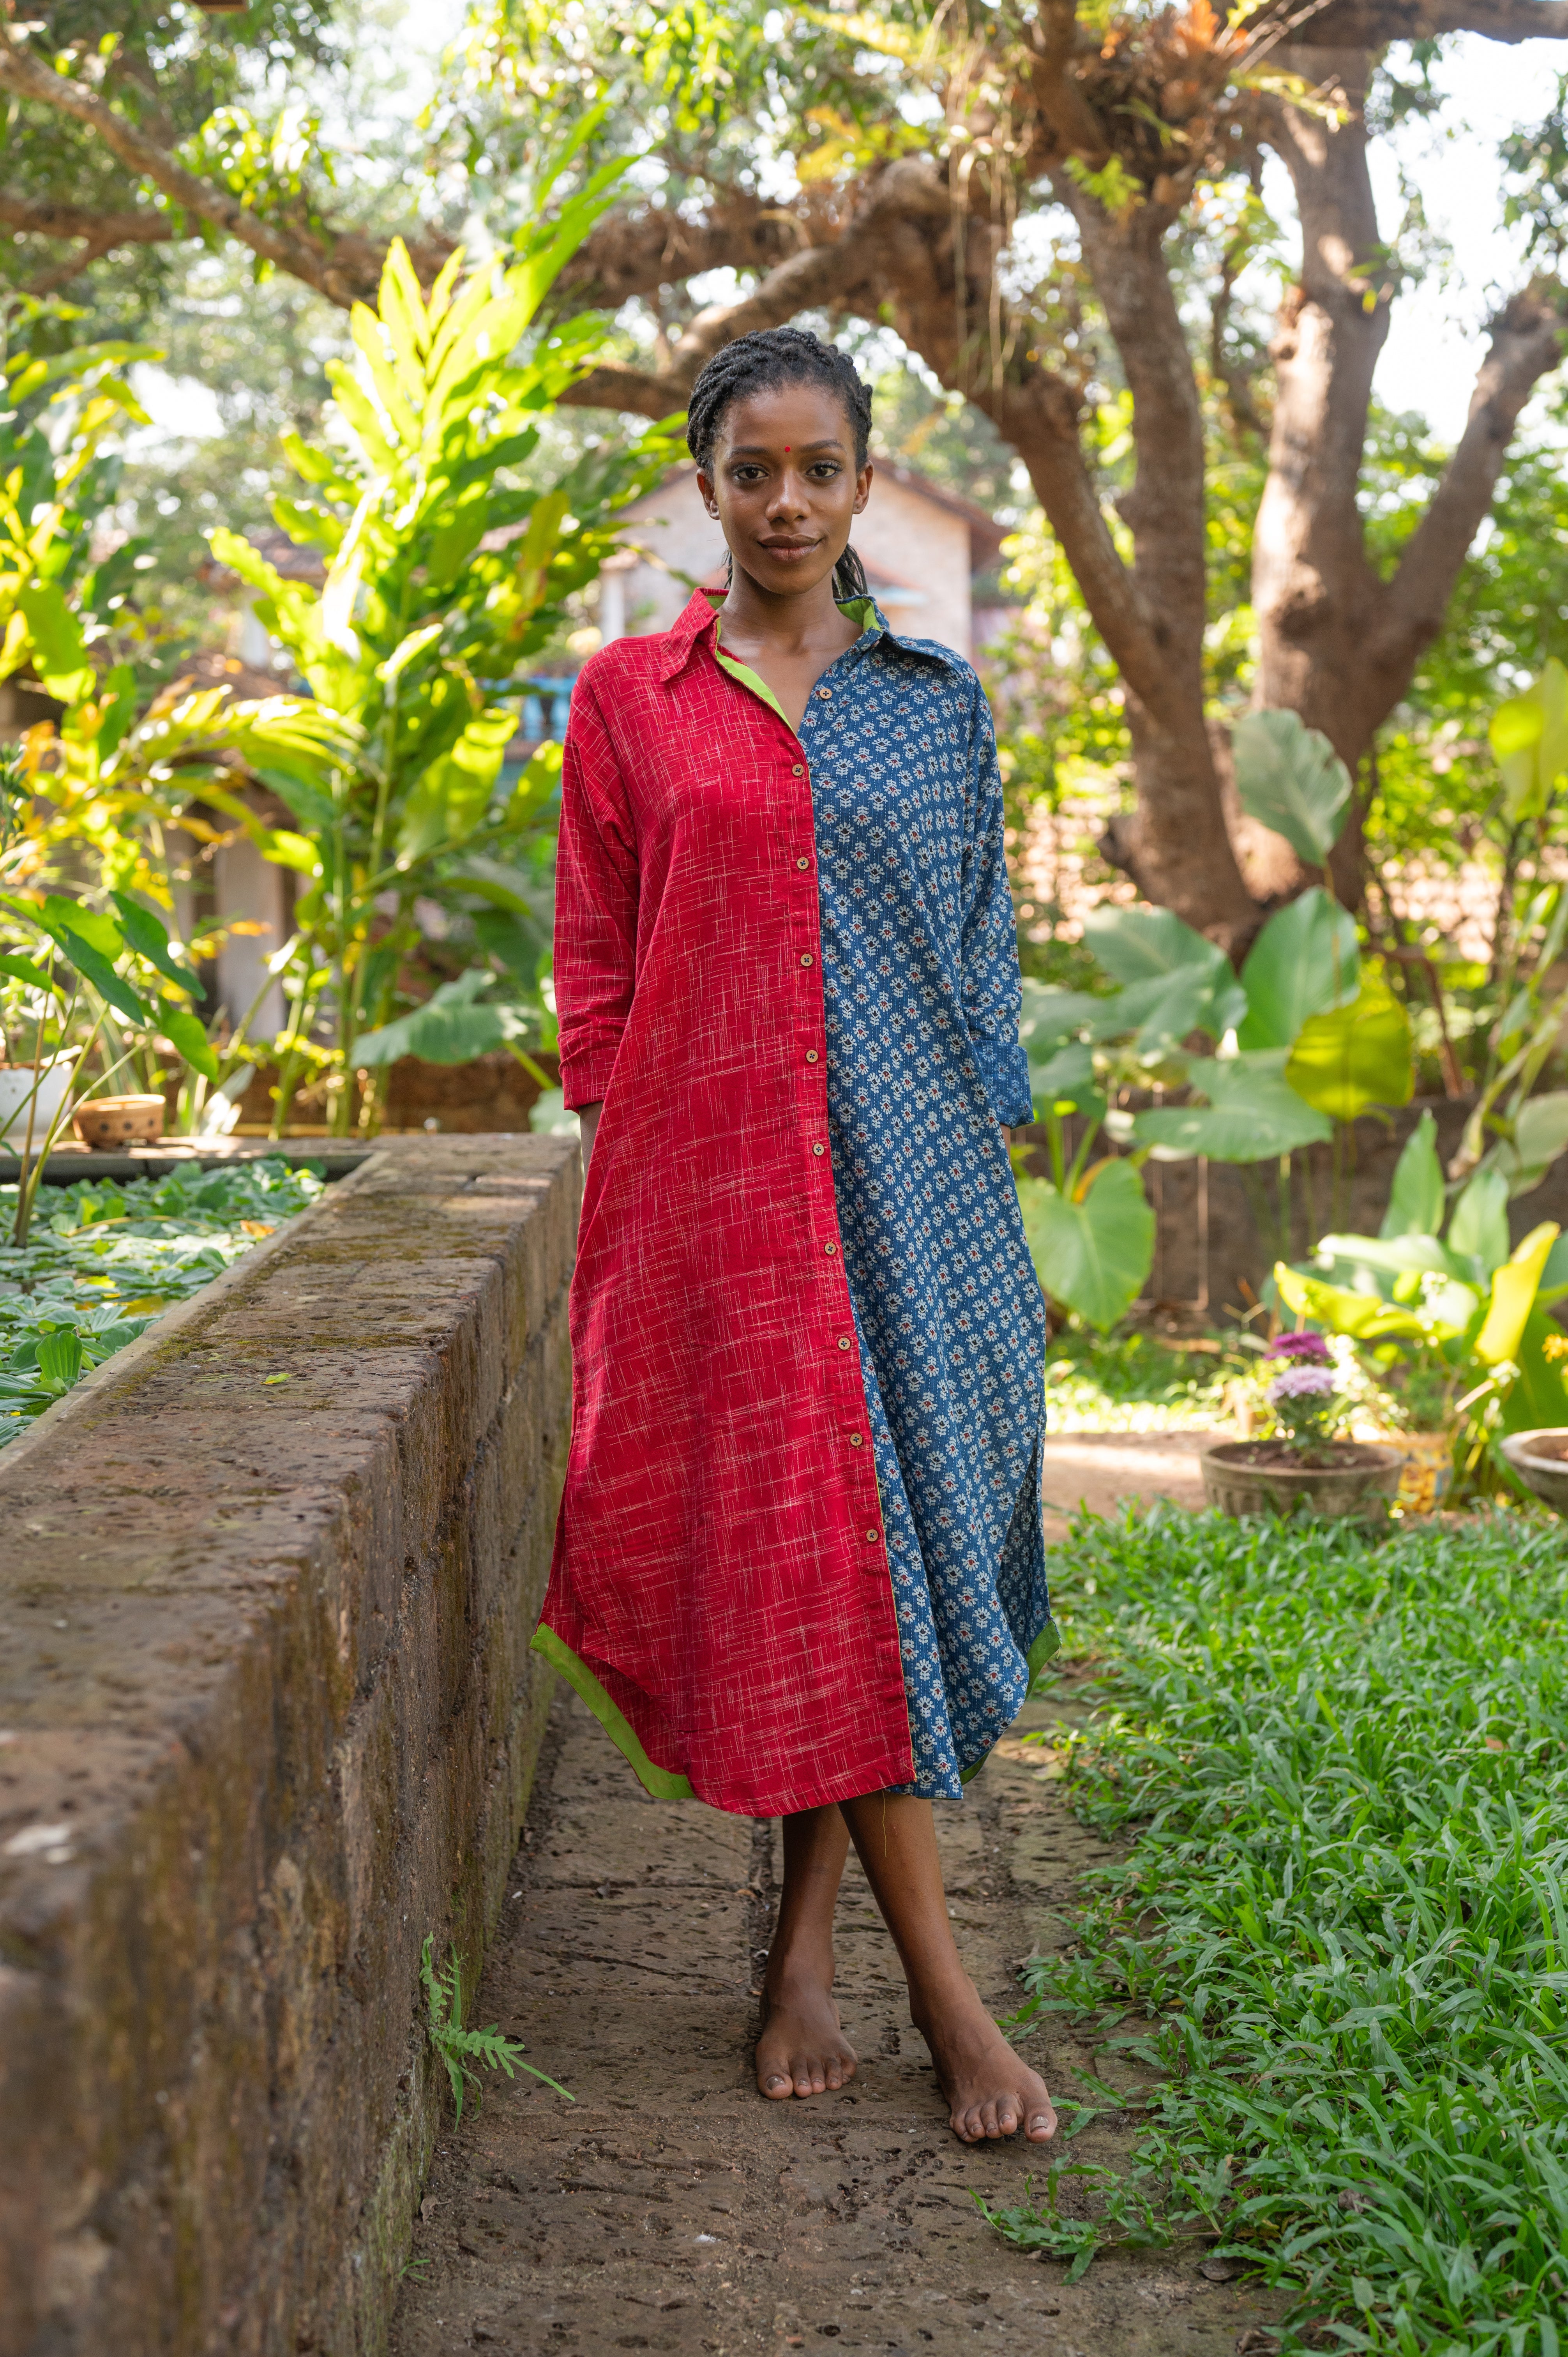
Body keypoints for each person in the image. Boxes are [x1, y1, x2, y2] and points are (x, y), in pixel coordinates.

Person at [531, 327, 1057, 2145]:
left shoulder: (935, 700)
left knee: (880, 1556)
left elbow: (980, 940)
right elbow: (594, 953)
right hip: (723, 1198)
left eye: (818, 470)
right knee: (801, 1561)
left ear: (857, 484)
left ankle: (802, 1949)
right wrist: (639, 1150)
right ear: (705, 482)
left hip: (917, 1200)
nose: (784, 503)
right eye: (750, 470)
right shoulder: (632, 699)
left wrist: (979, 1168)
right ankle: (944, 1995)